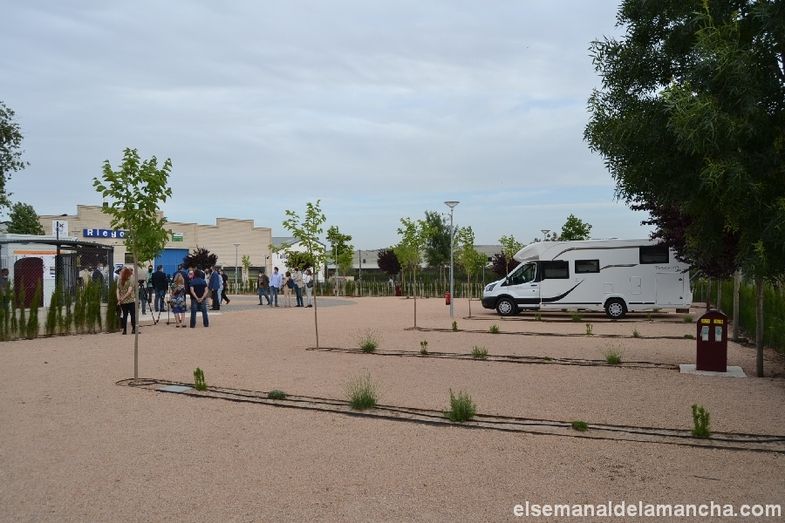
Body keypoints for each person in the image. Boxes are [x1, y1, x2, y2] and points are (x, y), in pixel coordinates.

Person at [116, 267, 137, 335]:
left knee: (125, 315)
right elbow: (129, 291)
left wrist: (119, 299)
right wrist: (123, 298)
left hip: (122, 302)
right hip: (130, 300)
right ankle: (134, 329)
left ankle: (124, 331)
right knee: (132, 315)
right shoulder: (130, 279)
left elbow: (117, 290)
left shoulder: (119, 279)